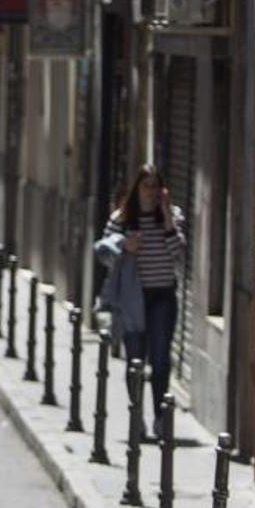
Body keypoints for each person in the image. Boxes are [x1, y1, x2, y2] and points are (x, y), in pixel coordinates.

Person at [98, 164, 187, 438]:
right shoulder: (121, 218)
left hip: (162, 297)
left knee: (160, 360)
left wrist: (168, 220)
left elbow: (179, 253)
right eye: (145, 186)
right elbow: (103, 252)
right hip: (132, 300)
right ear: (136, 189)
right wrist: (125, 244)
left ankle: (160, 417)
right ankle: (137, 415)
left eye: (154, 187)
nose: (150, 192)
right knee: (135, 361)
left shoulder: (171, 217)